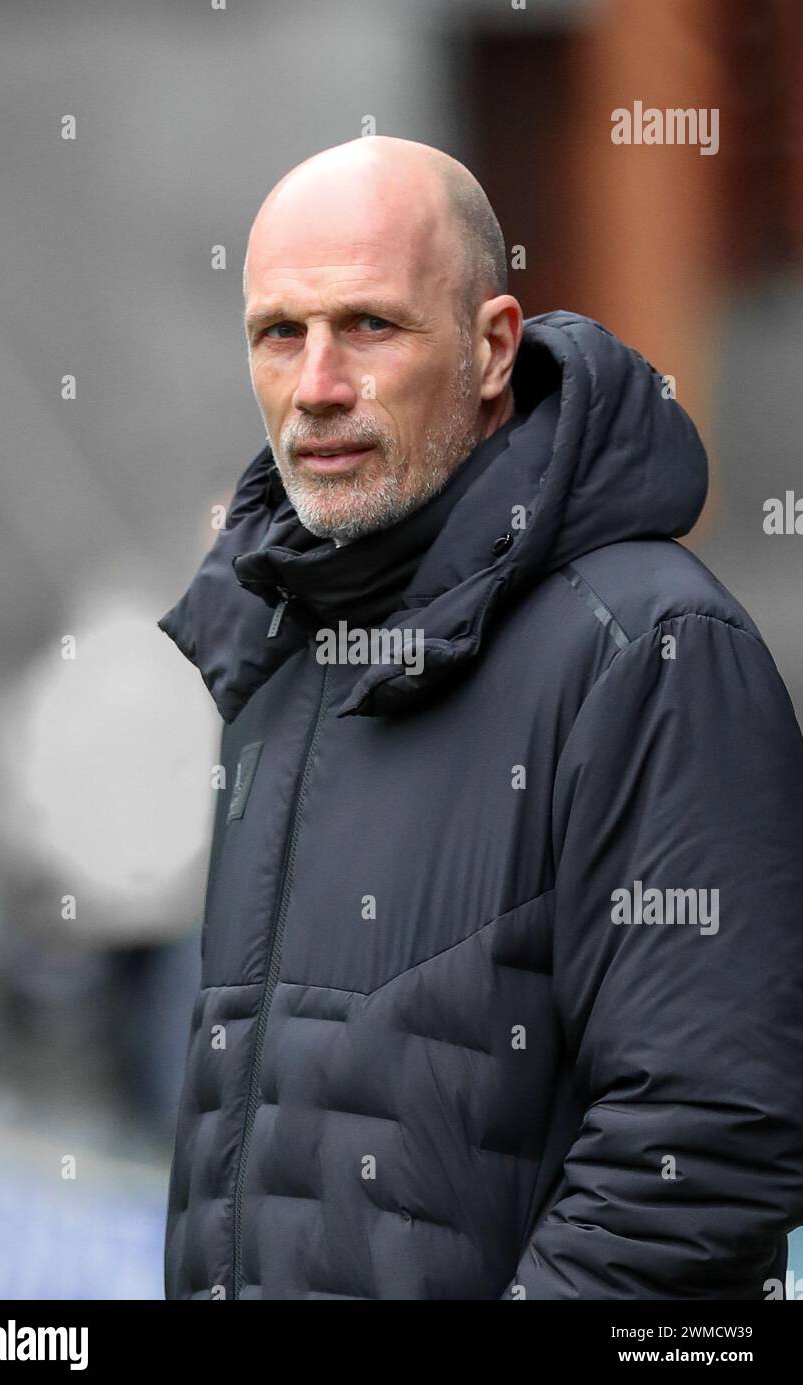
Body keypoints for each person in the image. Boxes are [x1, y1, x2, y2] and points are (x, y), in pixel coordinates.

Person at [158, 135, 803, 1300]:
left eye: (369, 325)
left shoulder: (648, 648)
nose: (316, 385)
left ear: (491, 345)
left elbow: (700, 1146)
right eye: (278, 332)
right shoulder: (271, 650)